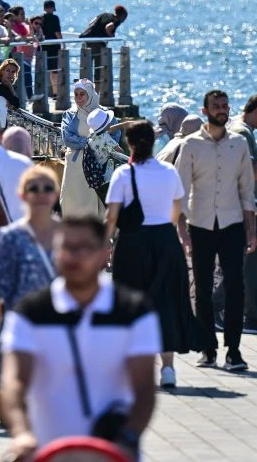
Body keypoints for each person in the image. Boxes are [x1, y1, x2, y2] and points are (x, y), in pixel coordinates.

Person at [0, 215, 159, 461]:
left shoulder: (135, 312)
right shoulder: (28, 313)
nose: (74, 256)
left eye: (84, 248)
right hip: (46, 453)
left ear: (104, 253)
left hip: (112, 452)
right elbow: (15, 382)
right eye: (66, 247)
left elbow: (144, 388)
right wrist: (21, 434)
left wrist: (129, 437)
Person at [104, 120, 206, 388]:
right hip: (164, 241)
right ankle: (168, 369)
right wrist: (166, 234)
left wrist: (105, 244)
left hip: (131, 244)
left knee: (129, 305)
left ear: (129, 143)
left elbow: (112, 217)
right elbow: (177, 210)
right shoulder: (169, 172)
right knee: (165, 304)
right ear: (152, 142)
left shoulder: (123, 174)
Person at [175, 90, 256, 372]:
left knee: (236, 286)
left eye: (225, 105)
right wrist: (182, 230)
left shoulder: (239, 144)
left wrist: (251, 229)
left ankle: (234, 351)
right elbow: (180, 191)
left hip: (232, 223)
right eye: (216, 106)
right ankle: (208, 349)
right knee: (203, 288)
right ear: (205, 110)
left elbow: (247, 189)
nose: (221, 109)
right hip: (200, 224)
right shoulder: (191, 145)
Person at [0, 166, 60, 412]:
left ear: (56, 193)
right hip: (19, 335)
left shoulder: (71, 238)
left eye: (47, 188)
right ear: (22, 194)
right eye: (33, 188)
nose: (40, 193)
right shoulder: (7, 239)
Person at [226, 93, 257, 333]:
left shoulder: (231, 126)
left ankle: (228, 311)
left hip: (231, 204)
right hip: (245, 205)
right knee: (252, 265)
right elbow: (249, 169)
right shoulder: (243, 132)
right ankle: (250, 317)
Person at [59, 80, 112, 218]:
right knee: (73, 201)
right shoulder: (70, 114)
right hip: (75, 165)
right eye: (76, 94)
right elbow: (67, 138)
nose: (78, 98)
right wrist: (91, 143)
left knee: (95, 203)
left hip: (98, 164)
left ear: (91, 94)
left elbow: (114, 134)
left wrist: (96, 145)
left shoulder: (104, 113)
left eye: (82, 94)